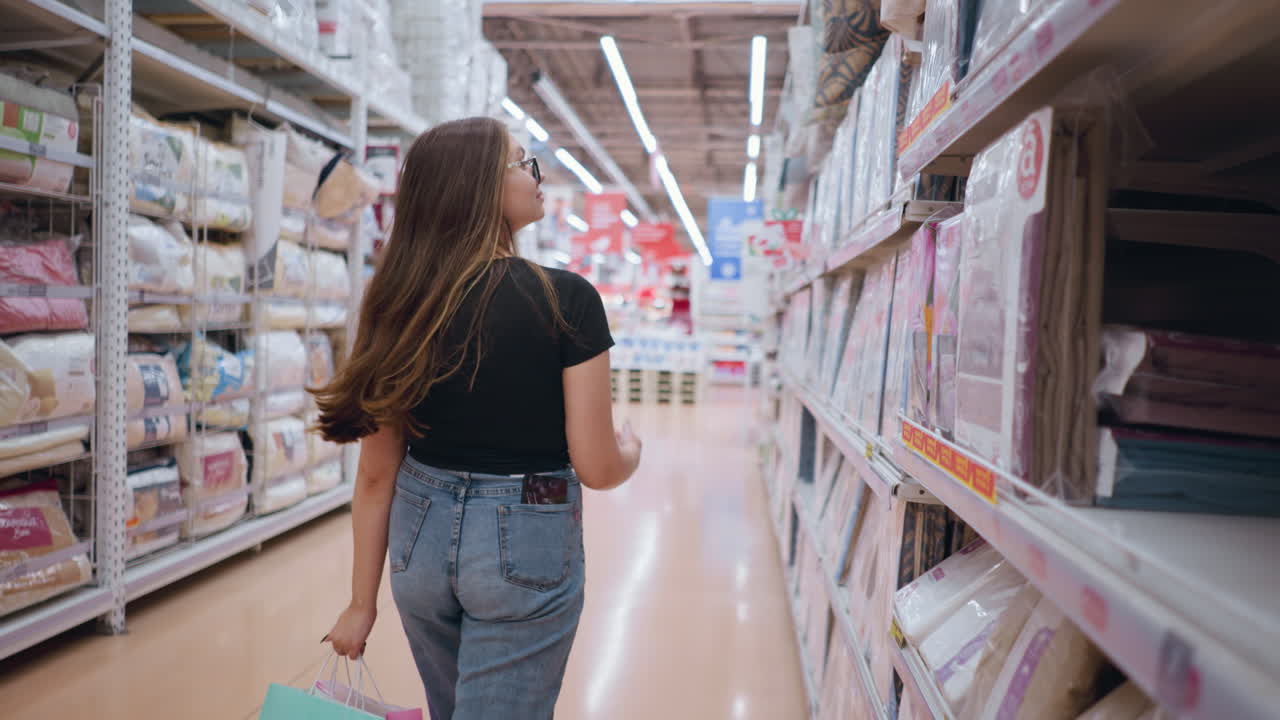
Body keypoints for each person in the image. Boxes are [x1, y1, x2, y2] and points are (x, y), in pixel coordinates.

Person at [311, 117, 643, 720]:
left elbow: (377, 473)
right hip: (529, 528)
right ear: (476, 186)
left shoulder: (395, 301)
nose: (537, 177)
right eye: (522, 163)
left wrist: (362, 603)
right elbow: (595, 465)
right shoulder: (566, 299)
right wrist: (632, 452)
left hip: (420, 536)